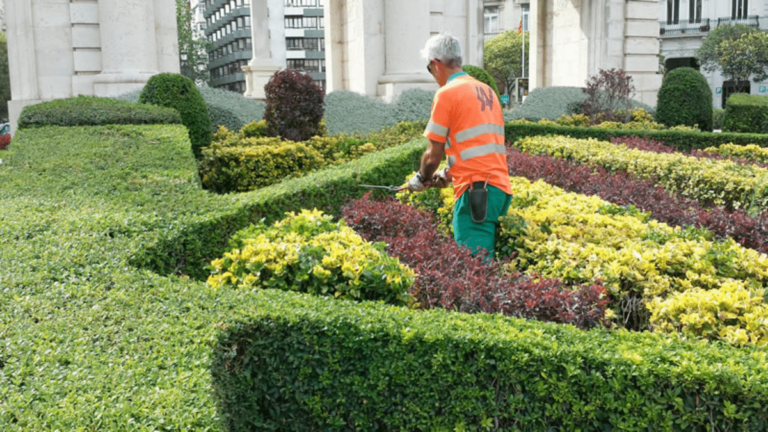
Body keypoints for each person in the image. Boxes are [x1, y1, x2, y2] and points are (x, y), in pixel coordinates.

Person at [406, 33, 512, 258]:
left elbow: (431, 156)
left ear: (436, 64)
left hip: (476, 193)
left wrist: (420, 178)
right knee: (484, 266)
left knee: (476, 271)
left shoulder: (447, 93)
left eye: (429, 68)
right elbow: (481, 148)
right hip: (497, 188)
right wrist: (448, 174)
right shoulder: (487, 91)